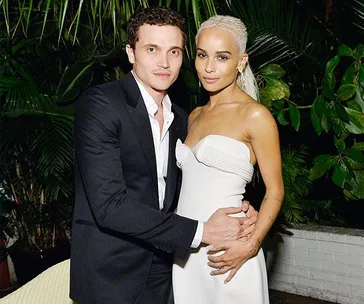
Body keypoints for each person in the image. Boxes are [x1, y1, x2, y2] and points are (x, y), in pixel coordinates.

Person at [70, 7, 258, 304]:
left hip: (169, 267)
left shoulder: (183, 120)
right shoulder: (101, 105)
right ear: (131, 53)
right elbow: (109, 206)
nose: (164, 62)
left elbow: (191, 186)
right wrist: (202, 231)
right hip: (111, 272)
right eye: (152, 49)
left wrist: (242, 211)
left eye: (174, 51)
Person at [172, 15, 284, 304]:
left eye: (222, 57)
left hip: (229, 252)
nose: (209, 67)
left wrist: (251, 244)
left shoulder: (255, 116)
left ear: (241, 61)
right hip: (187, 249)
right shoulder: (194, 116)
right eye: (202, 55)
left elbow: (275, 191)